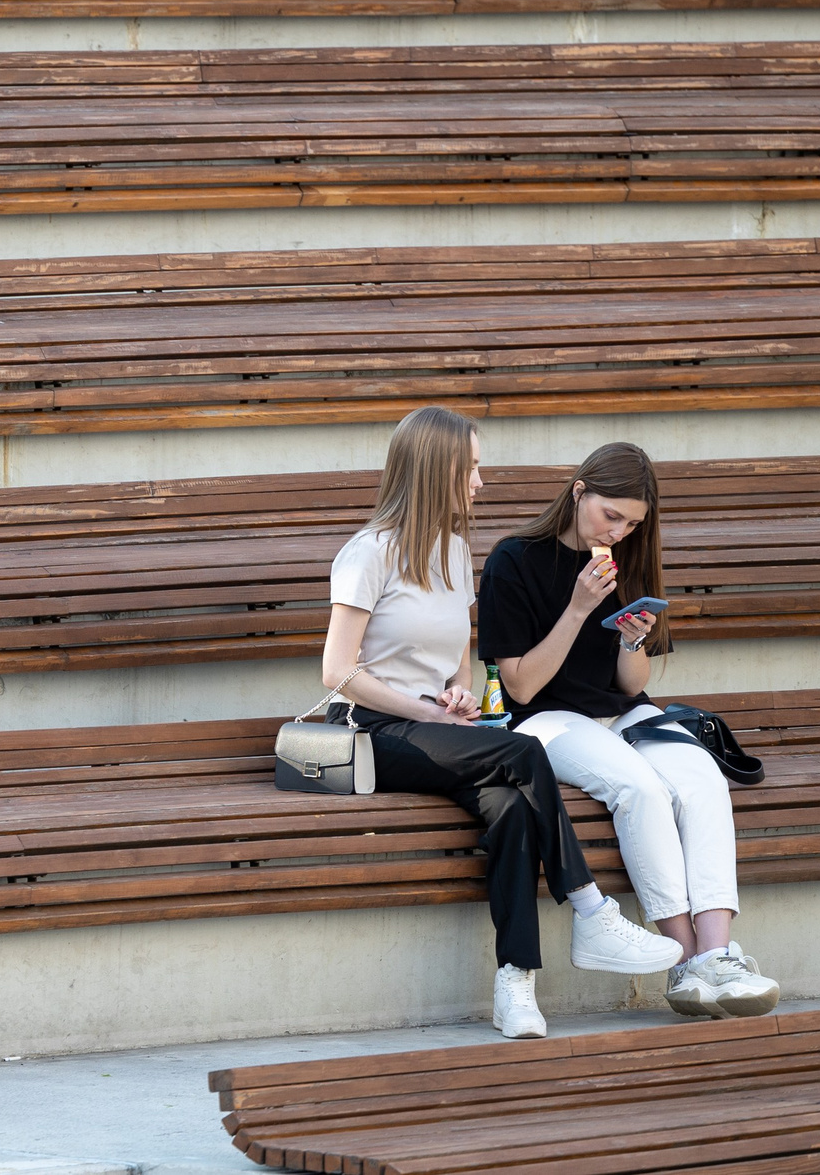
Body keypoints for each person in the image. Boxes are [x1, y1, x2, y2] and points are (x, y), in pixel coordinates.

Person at [322, 406, 682, 1041]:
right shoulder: (368, 553)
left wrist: (458, 698)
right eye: (470, 468)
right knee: (522, 751)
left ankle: (516, 982)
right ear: (434, 470)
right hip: (369, 730)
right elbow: (337, 672)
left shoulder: (453, 552)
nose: (480, 481)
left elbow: (458, 663)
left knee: (512, 808)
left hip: (437, 731)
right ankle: (590, 908)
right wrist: (426, 710)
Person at [479, 442, 782, 1021]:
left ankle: (717, 955)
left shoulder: (628, 558)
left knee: (701, 778)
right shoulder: (513, 560)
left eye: (633, 523)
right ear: (579, 492)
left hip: (621, 712)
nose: (618, 532)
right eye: (610, 515)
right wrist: (578, 608)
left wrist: (631, 638)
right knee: (639, 787)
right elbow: (520, 686)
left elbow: (632, 682)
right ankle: (684, 962)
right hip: (545, 719)